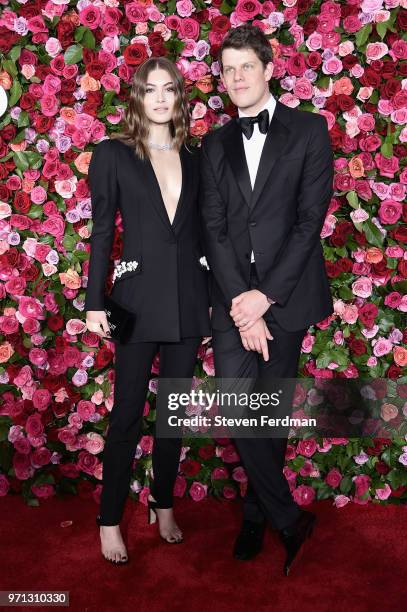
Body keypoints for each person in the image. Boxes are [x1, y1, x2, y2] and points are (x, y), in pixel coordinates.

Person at [200, 24, 334, 575]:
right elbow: (213, 225)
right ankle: (287, 517)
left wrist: (265, 298)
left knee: (270, 412)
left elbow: (310, 222)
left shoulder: (309, 130)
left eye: (245, 68)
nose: (236, 79)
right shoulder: (214, 142)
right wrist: (241, 300)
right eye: (228, 71)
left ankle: (258, 513)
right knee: (237, 404)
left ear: (268, 69)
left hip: (288, 295)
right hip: (235, 299)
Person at [85, 57, 211, 565]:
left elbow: (206, 231)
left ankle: (163, 504)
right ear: (136, 97)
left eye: (169, 90)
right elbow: (99, 234)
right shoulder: (113, 154)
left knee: (172, 417)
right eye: (150, 89)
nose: (160, 98)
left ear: (180, 97)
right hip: (136, 304)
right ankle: (109, 519)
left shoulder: (197, 156)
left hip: (188, 303)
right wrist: (94, 302)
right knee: (126, 419)